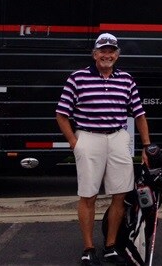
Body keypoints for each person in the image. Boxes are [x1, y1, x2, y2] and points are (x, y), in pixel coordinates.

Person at [56, 33, 151, 266]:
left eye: (111, 51)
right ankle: (88, 249)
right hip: (88, 137)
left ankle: (110, 246)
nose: (107, 55)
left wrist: (146, 146)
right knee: (88, 194)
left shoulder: (126, 79)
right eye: (103, 51)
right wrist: (74, 142)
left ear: (117, 55)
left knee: (120, 194)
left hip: (118, 137)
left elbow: (139, 114)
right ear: (95, 54)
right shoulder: (78, 78)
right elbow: (61, 114)